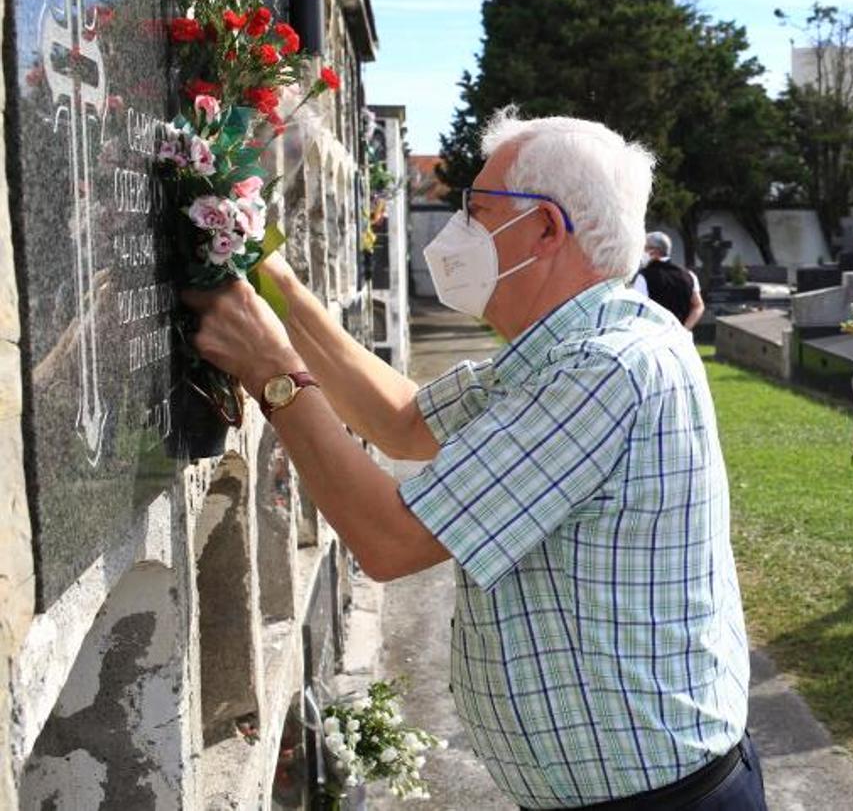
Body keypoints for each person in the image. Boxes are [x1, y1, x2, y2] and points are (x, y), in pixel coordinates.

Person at [183, 109, 765, 810]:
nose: (460, 231)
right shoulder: (573, 342)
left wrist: (274, 372)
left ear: (547, 229)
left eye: (479, 210)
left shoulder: (607, 368)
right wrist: (273, 278)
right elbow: (400, 423)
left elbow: (390, 541)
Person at [632, 231, 705, 330]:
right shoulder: (689, 275)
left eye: (644, 248)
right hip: (681, 339)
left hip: (654, 337)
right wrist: (684, 329)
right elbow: (698, 305)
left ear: (654, 251)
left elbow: (637, 309)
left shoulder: (644, 277)